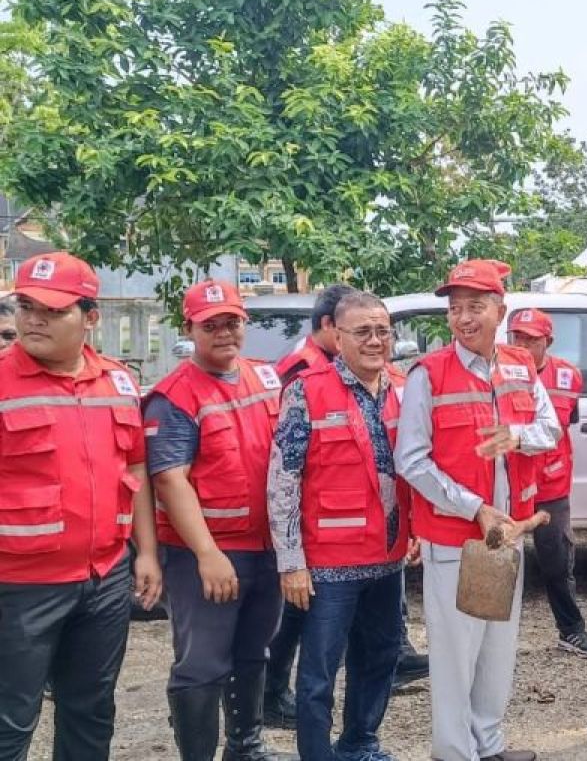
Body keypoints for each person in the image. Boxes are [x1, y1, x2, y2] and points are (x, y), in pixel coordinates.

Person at [0, 252, 162, 760]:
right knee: (10, 720)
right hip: (20, 585)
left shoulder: (117, 382)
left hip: (104, 579)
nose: (32, 319)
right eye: (26, 306)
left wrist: (147, 553)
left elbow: (134, 469)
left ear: (89, 318)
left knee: (91, 712)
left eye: (51, 310)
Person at [396, 259, 559, 761]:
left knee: (496, 652)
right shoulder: (429, 374)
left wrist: (519, 436)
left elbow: (550, 430)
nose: (464, 318)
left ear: (499, 309)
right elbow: (411, 460)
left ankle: (488, 746)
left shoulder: (520, 365)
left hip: (507, 536)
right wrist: (475, 508)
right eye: (455, 309)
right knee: (455, 658)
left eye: (475, 307)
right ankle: (454, 753)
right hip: (456, 541)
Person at [143, 279, 296, 761]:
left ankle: (246, 746)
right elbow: (170, 480)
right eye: (212, 325)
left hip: (266, 549)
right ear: (190, 328)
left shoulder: (265, 377)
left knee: (255, 652)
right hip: (205, 555)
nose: (225, 333)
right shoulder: (175, 397)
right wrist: (208, 554)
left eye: (232, 322)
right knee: (204, 664)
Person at [264, 284, 427, 728]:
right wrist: (291, 561)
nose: (375, 341)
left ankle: (360, 744)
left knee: (379, 659)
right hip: (329, 563)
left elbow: (409, 468)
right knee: (318, 674)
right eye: (362, 332)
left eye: (383, 331)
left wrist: (412, 529)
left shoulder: (402, 389)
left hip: (386, 558)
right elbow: (283, 479)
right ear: (337, 337)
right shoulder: (306, 391)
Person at [506, 308, 587, 658]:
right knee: (498, 561)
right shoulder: (498, 372)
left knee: (557, 562)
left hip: (551, 483)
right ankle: (494, 641)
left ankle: (571, 631)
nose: (523, 344)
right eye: (517, 337)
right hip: (510, 482)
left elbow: (564, 426)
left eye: (531, 339)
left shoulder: (569, 376)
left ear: (548, 341)